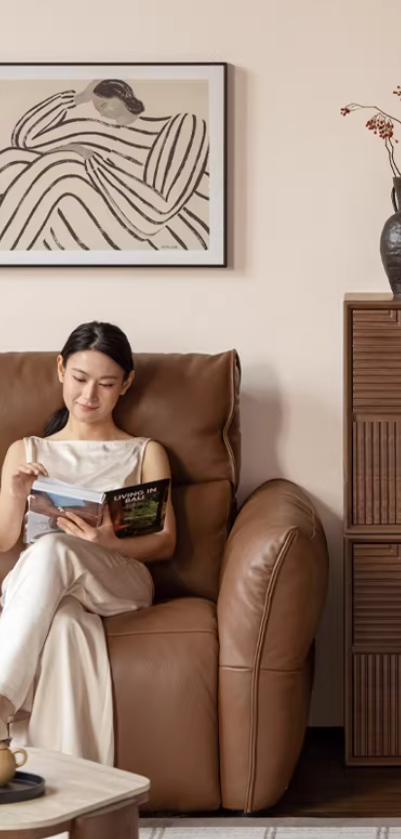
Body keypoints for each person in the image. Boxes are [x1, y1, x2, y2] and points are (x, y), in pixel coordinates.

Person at [0, 321, 176, 772]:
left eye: (106, 384)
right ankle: (66, 800)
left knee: (55, 550)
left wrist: (105, 540)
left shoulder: (144, 451)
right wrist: (19, 495)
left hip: (119, 578)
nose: (89, 396)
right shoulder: (26, 450)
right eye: (79, 379)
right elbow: (4, 541)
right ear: (60, 369)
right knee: (64, 628)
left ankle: (1, 700)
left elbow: (165, 542)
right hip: (46, 586)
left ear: (127, 384)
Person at [0, 79, 209, 251]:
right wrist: (78, 98)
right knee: (12, 160)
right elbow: (24, 140)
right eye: (97, 107)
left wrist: (89, 161)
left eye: (104, 105)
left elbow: (156, 213)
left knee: (62, 166)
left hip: (154, 232)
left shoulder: (181, 126)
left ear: (122, 96)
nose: (100, 112)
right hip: (88, 219)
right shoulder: (96, 130)